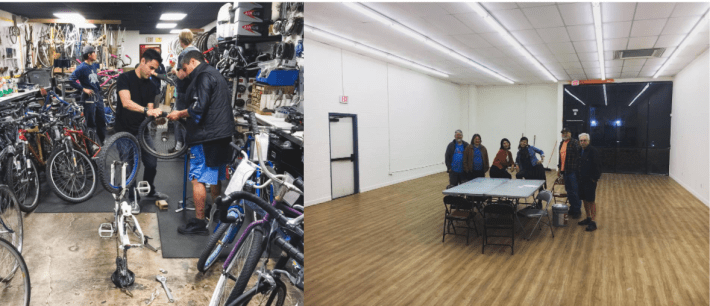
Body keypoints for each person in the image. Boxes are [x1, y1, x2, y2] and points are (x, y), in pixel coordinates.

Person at [167, 50, 235, 235]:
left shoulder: (202, 77)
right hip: (222, 135)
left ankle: (199, 222)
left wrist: (179, 114)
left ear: (192, 61)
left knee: (198, 178)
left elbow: (199, 107)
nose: (185, 72)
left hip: (207, 137)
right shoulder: (215, 73)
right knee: (214, 177)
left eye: (185, 68)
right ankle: (218, 214)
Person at [115, 48, 169, 214]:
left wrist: (158, 117)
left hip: (142, 131)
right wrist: (147, 111)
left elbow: (150, 110)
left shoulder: (152, 84)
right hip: (124, 131)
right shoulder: (124, 78)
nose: (152, 72)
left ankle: (149, 189)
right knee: (129, 166)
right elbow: (126, 102)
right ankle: (132, 199)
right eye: (151, 68)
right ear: (143, 61)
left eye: (155, 70)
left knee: (152, 163)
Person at [68, 45, 107, 143]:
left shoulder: (93, 66)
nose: (95, 54)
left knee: (101, 120)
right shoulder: (81, 67)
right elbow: (71, 79)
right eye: (94, 52)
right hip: (89, 98)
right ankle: (91, 144)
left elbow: (94, 81)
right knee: (91, 123)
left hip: (97, 96)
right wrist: (83, 89)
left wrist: (100, 89)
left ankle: (101, 142)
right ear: (89, 55)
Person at [169, 29, 200, 152]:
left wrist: (174, 70)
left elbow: (181, 75)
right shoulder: (198, 53)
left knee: (178, 117)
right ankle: (191, 147)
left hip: (183, 92)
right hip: (195, 90)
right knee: (191, 117)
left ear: (181, 41)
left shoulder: (184, 54)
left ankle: (179, 147)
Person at [577, 133, 601, 231]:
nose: (583, 142)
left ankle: (593, 222)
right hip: (581, 180)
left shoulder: (593, 151)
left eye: (584, 140)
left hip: (590, 181)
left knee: (591, 201)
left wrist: (594, 179)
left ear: (588, 141)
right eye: (581, 141)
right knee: (584, 200)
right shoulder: (579, 150)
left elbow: (598, 166)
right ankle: (588, 218)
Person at [557, 128, 582, 219]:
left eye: (566, 132)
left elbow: (579, 156)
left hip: (573, 171)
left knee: (575, 191)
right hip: (565, 171)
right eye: (563, 133)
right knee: (569, 191)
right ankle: (572, 208)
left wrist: (579, 169)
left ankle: (577, 210)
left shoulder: (575, 142)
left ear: (570, 133)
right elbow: (561, 158)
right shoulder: (561, 143)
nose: (564, 134)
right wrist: (559, 168)